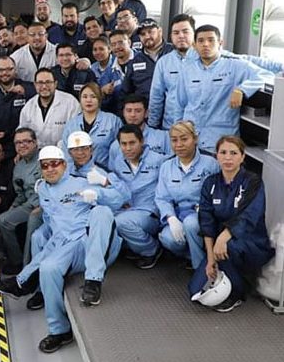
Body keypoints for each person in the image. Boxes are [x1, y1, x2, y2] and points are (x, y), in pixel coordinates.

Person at [0, 146, 122, 353]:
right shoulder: (43, 189)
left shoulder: (82, 181)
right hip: (68, 243)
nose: (50, 169)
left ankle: (93, 280)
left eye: (55, 164)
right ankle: (59, 330)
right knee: (48, 267)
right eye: (45, 165)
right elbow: (55, 227)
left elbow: (120, 198)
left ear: (64, 165)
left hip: (93, 241)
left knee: (102, 211)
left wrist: (99, 191)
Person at [189, 136, 275, 312]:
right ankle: (228, 275)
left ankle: (238, 292)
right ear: (217, 156)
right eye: (223, 152)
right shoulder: (210, 183)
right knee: (195, 290)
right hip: (219, 247)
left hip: (250, 243)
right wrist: (210, 258)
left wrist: (223, 237)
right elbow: (206, 220)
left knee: (230, 247)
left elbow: (249, 216)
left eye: (234, 153)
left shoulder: (253, 181)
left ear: (242, 157)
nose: (228, 158)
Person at [177, 24, 274, 152]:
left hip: (221, 142)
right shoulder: (187, 70)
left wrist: (242, 89)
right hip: (192, 138)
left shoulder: (234, 66)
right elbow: (180, 104)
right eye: (201, 41)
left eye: (211, 40)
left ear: (220, 43)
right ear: (194, 45)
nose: (206, 44)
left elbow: (266, 75)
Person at [155, 121, 219, 269]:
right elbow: (162, 198)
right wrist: (171, 218)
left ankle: (200, 268)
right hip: (178, 215)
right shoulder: (166, 167)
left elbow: (218, 192)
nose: (179, 145)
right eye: (174, 140)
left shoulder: (211, 164)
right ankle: (192, 255)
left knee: (191, 224)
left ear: (195, 139)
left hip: (202, 215)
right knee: (168, 238)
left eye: (184, 139)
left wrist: (205, 209)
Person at [109, 125, 165, 269]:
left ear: (141, 141)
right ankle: (133, 247)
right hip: (127, 209)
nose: (128, 148)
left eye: (132, 143)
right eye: (123, 144)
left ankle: (151, 250)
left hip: (150, 212)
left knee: (122, 222)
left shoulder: (159, 160)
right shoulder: (118, 162)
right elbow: (116, 187)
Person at [0, 128, 43, 270]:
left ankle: (27, 269)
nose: (22, 145)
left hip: (45, 205)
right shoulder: (18, 167)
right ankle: (16, 261)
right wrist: (13, 208)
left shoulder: (44, 159)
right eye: (18, 142)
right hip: (29, 204)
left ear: (35, 143)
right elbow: (21, 194)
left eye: (26, 141)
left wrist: (40, 206)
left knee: (33, 222)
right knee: (3, 220)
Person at [61, 83, 123, 168]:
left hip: (105, 172)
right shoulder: (71, 125)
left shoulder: (113, 121)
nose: (88, 100)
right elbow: (66, 153)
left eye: (93, 97)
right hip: (77, 173)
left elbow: (120, 151)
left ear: (99, 99)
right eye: (85, 97)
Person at [19, 67, 80, 148]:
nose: (44, 86)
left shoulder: (71, 103)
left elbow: (76, 132)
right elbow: (23, 133)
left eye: (48, 82)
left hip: (64, 151)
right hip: (37, 152)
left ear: (55, 84)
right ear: (35, 85)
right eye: (40, 83)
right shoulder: (28, 107)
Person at [120, 18, 174, 101]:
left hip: (172, 106)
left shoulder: (174, 52)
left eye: (150, 32)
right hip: (145, 107)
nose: (147, 36)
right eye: (143, 34)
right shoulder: (135, 61)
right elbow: (125, 91)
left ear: (160, 31)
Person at [108, 94, 170, 163]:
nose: (133, 115)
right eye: (129, 111)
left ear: (146, 113)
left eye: (138, 111)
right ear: (123, 113)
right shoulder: (116, 146)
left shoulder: (163, 137)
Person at [89, 36, 119, 113]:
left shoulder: (117, 62)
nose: (98, 52)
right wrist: (102, 90)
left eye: (101, 49)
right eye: (95, 50)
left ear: (109, 49)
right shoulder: (92, 68)